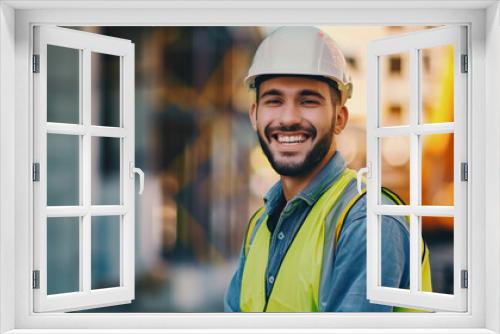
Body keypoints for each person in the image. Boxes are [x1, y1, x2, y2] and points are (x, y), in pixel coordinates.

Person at [225, 26, 428, 312]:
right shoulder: (259, 225)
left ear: (340, 118)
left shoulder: (367, 222)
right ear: (255, 115)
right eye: (274, 100)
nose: (289, 118)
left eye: (308, 101)